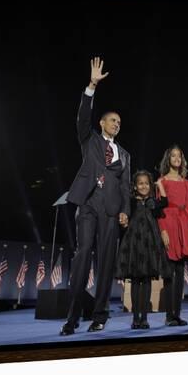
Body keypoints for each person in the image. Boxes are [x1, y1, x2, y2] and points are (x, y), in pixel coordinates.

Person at [60, 57, 131, 336]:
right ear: (102, 122)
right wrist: (92, 85)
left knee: (106, 264)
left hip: (111, 211)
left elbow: (125, 186)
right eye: (113, 120)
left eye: (120, 122)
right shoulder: (89, 140)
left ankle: (100, 315)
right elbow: (81, 118)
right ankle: (72, 316)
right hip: (88, 205)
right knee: (81, 257)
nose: (117, 124)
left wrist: (125, 209)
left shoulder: (125, 155)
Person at [115, 170, 170, 329]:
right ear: (135, 186)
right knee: (134, 281)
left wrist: (160, 186)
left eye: (146, 183)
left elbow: (165, 202)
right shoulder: (131, 202)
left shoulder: (153, 202)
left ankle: (144, 318)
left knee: (146, 281)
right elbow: (124, 216)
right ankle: (135, 318)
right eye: (140, 183)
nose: (144, 186)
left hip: (149, 245)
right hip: (134, 244)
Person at [157, 145, 188, 326]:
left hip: (183, 226)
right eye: (173, 156)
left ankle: (177, 315)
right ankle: (168, 316)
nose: (176, 159)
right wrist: (163, 231)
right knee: (169, 273)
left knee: (180, 273)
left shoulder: (186, 182)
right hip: (168, 224)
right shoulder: (162, 181)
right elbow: (159, 209)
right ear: (168, 159)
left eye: (179, 156)